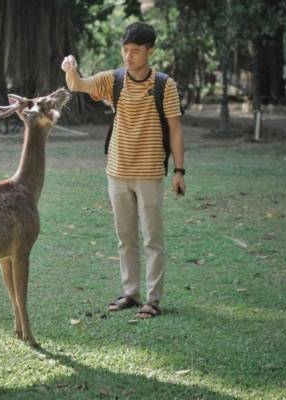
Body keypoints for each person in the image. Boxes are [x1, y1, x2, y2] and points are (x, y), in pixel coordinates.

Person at [61, 22, 185, 319]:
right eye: (125, 50)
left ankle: (153, 300)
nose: (129, 57)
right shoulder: (113, 80)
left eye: (136, 51)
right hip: (116, 172)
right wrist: (70, 69)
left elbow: (176, 130)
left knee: (152, 239)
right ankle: (131, 292)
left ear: (150, 51)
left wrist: (179, 170)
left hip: (150, 172)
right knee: (125, 236)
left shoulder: (164, 85)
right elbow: (78, 85)